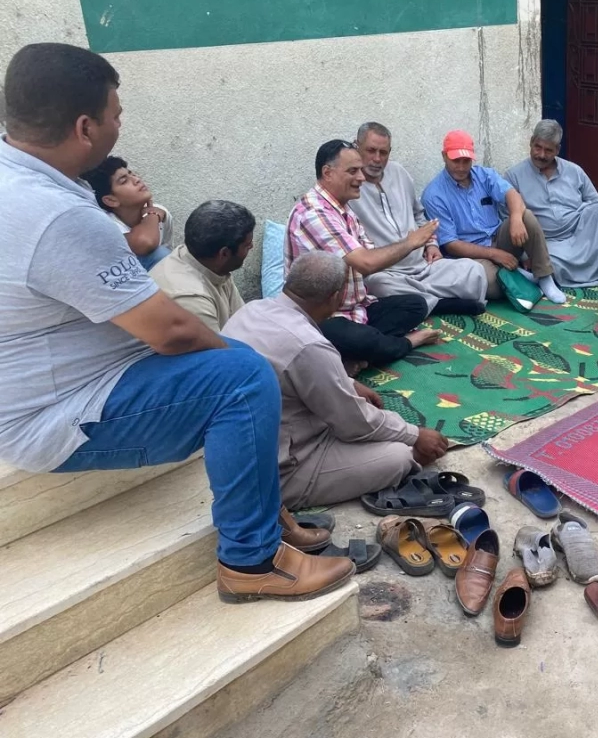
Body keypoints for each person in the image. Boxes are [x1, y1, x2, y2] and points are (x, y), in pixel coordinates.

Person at [0, 42, 352, 602]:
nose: (121, 123)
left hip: (54, 382)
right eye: (117, 114)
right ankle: (251, 560)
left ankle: (268, 514)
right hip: (57, 411)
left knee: (238, 371)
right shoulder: (60, 215)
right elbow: (173, 331)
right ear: (85, 127)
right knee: (243, 378)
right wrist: (240, 358)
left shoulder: (17, 179)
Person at [225, 251, 449, 509]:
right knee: (400, 456)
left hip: (236, 454)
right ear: (336, 297)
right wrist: (414, 434)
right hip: (277, 471)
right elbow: (355, 423)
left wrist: (347, 382)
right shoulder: (309, 345)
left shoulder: (253, 309)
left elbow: (292, 370)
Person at [286, 140, 441, 368]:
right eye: (353, 171)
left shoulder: (344, 208)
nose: (361, 177)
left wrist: (413, 246)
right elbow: (366, 263)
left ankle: (358, 353)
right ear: (327, 173)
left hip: (358, 309)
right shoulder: (314, 213)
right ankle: (405, 343)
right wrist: (410, 243)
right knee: (345, 334)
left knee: (415, 304)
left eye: (360, 170)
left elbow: (372, 254)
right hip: (324, 318)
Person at [350, 122, 486, 315]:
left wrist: (431, 245)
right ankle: (441, 304)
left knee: (474, 271)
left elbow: (419, 215)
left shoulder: (399, 173)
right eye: (371, 151)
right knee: (378, 286)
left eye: (384, 152)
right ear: (357, 146)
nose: (377, 159)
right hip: (387, 272)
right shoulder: (351, 186)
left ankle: (426, 302)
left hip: (422, 266)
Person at [421, 130, 567, 305]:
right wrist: (494, 254)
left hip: (499, 238)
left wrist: (515, 218)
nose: (461, 167)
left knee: (525, 216)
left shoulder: (484, 175)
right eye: (455, 161)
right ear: (444, 156)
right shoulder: (434, 194)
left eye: (466, 161)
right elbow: (451, 245)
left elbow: (512, 194)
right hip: (471, 256)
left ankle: (544, 277)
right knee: (488, 284)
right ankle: (523, 277)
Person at [505, 119, 598, 287]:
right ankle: (548, 272)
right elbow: (507, 220)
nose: (541, 155)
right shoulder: (513, 176)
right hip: (547, 243)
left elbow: (596, 203)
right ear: (531, 142)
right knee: (547, 266)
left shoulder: (574, 171)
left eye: (548, 150)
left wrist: (585, 214)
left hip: (581, 233)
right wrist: (526, 256)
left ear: (557, 150)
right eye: (538, 147)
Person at [151, 200, 253, 333]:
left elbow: (242, 322)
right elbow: (218, 351)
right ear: (224, 253)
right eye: (247, 245)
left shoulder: (212, 265)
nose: (252, 246)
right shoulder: (190, 298)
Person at [80, 155, 172, 270]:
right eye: (124, 181)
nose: (137, 179)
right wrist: (152, 215)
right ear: (111, 200)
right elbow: (145, 243)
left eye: (132, 174)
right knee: (160, 254)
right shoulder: (107, 226)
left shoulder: (160, 212)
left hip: (155, 278)